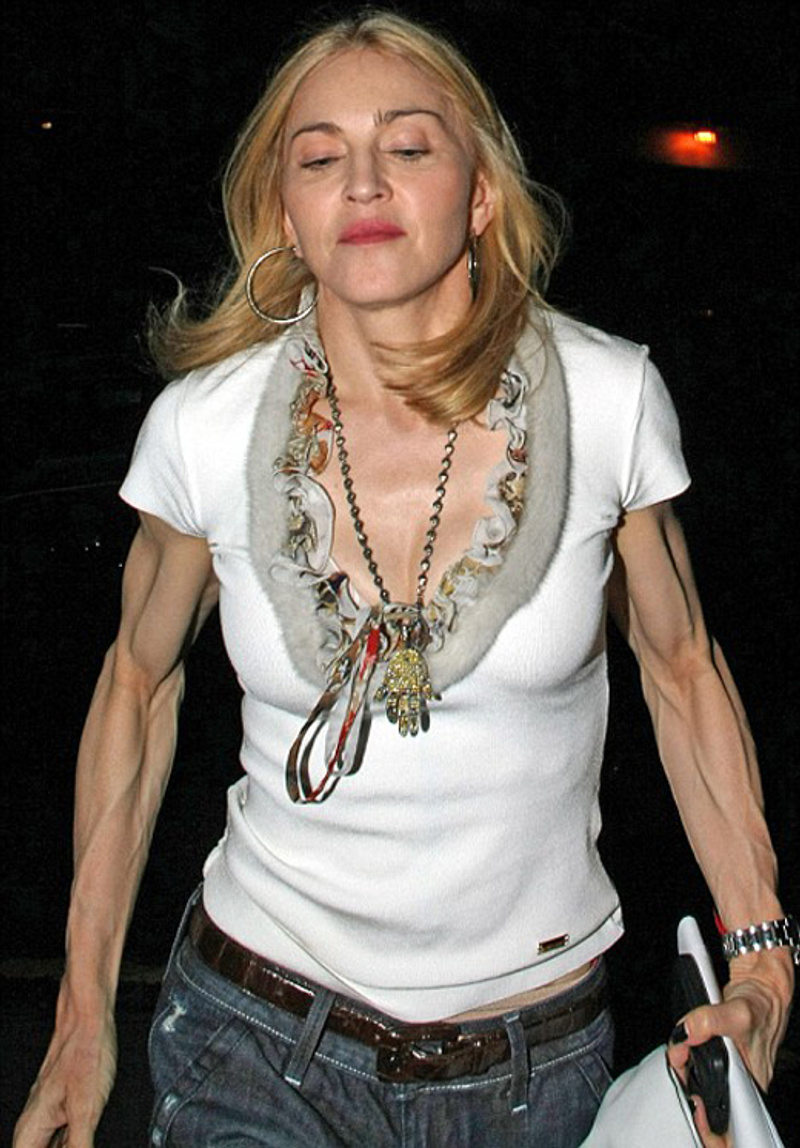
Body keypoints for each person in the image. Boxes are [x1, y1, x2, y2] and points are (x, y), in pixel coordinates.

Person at [14, 11, 795, 1148]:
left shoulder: (607, 400)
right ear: (287, 213)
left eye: (410, 145)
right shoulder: (204, 427)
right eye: (319, 156)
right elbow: (135, 686)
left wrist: (762, 957)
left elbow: (681, 671)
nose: (363, 180)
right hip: (254, 1027)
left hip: (534, 1061)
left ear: (479, 195)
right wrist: (82, 1011)